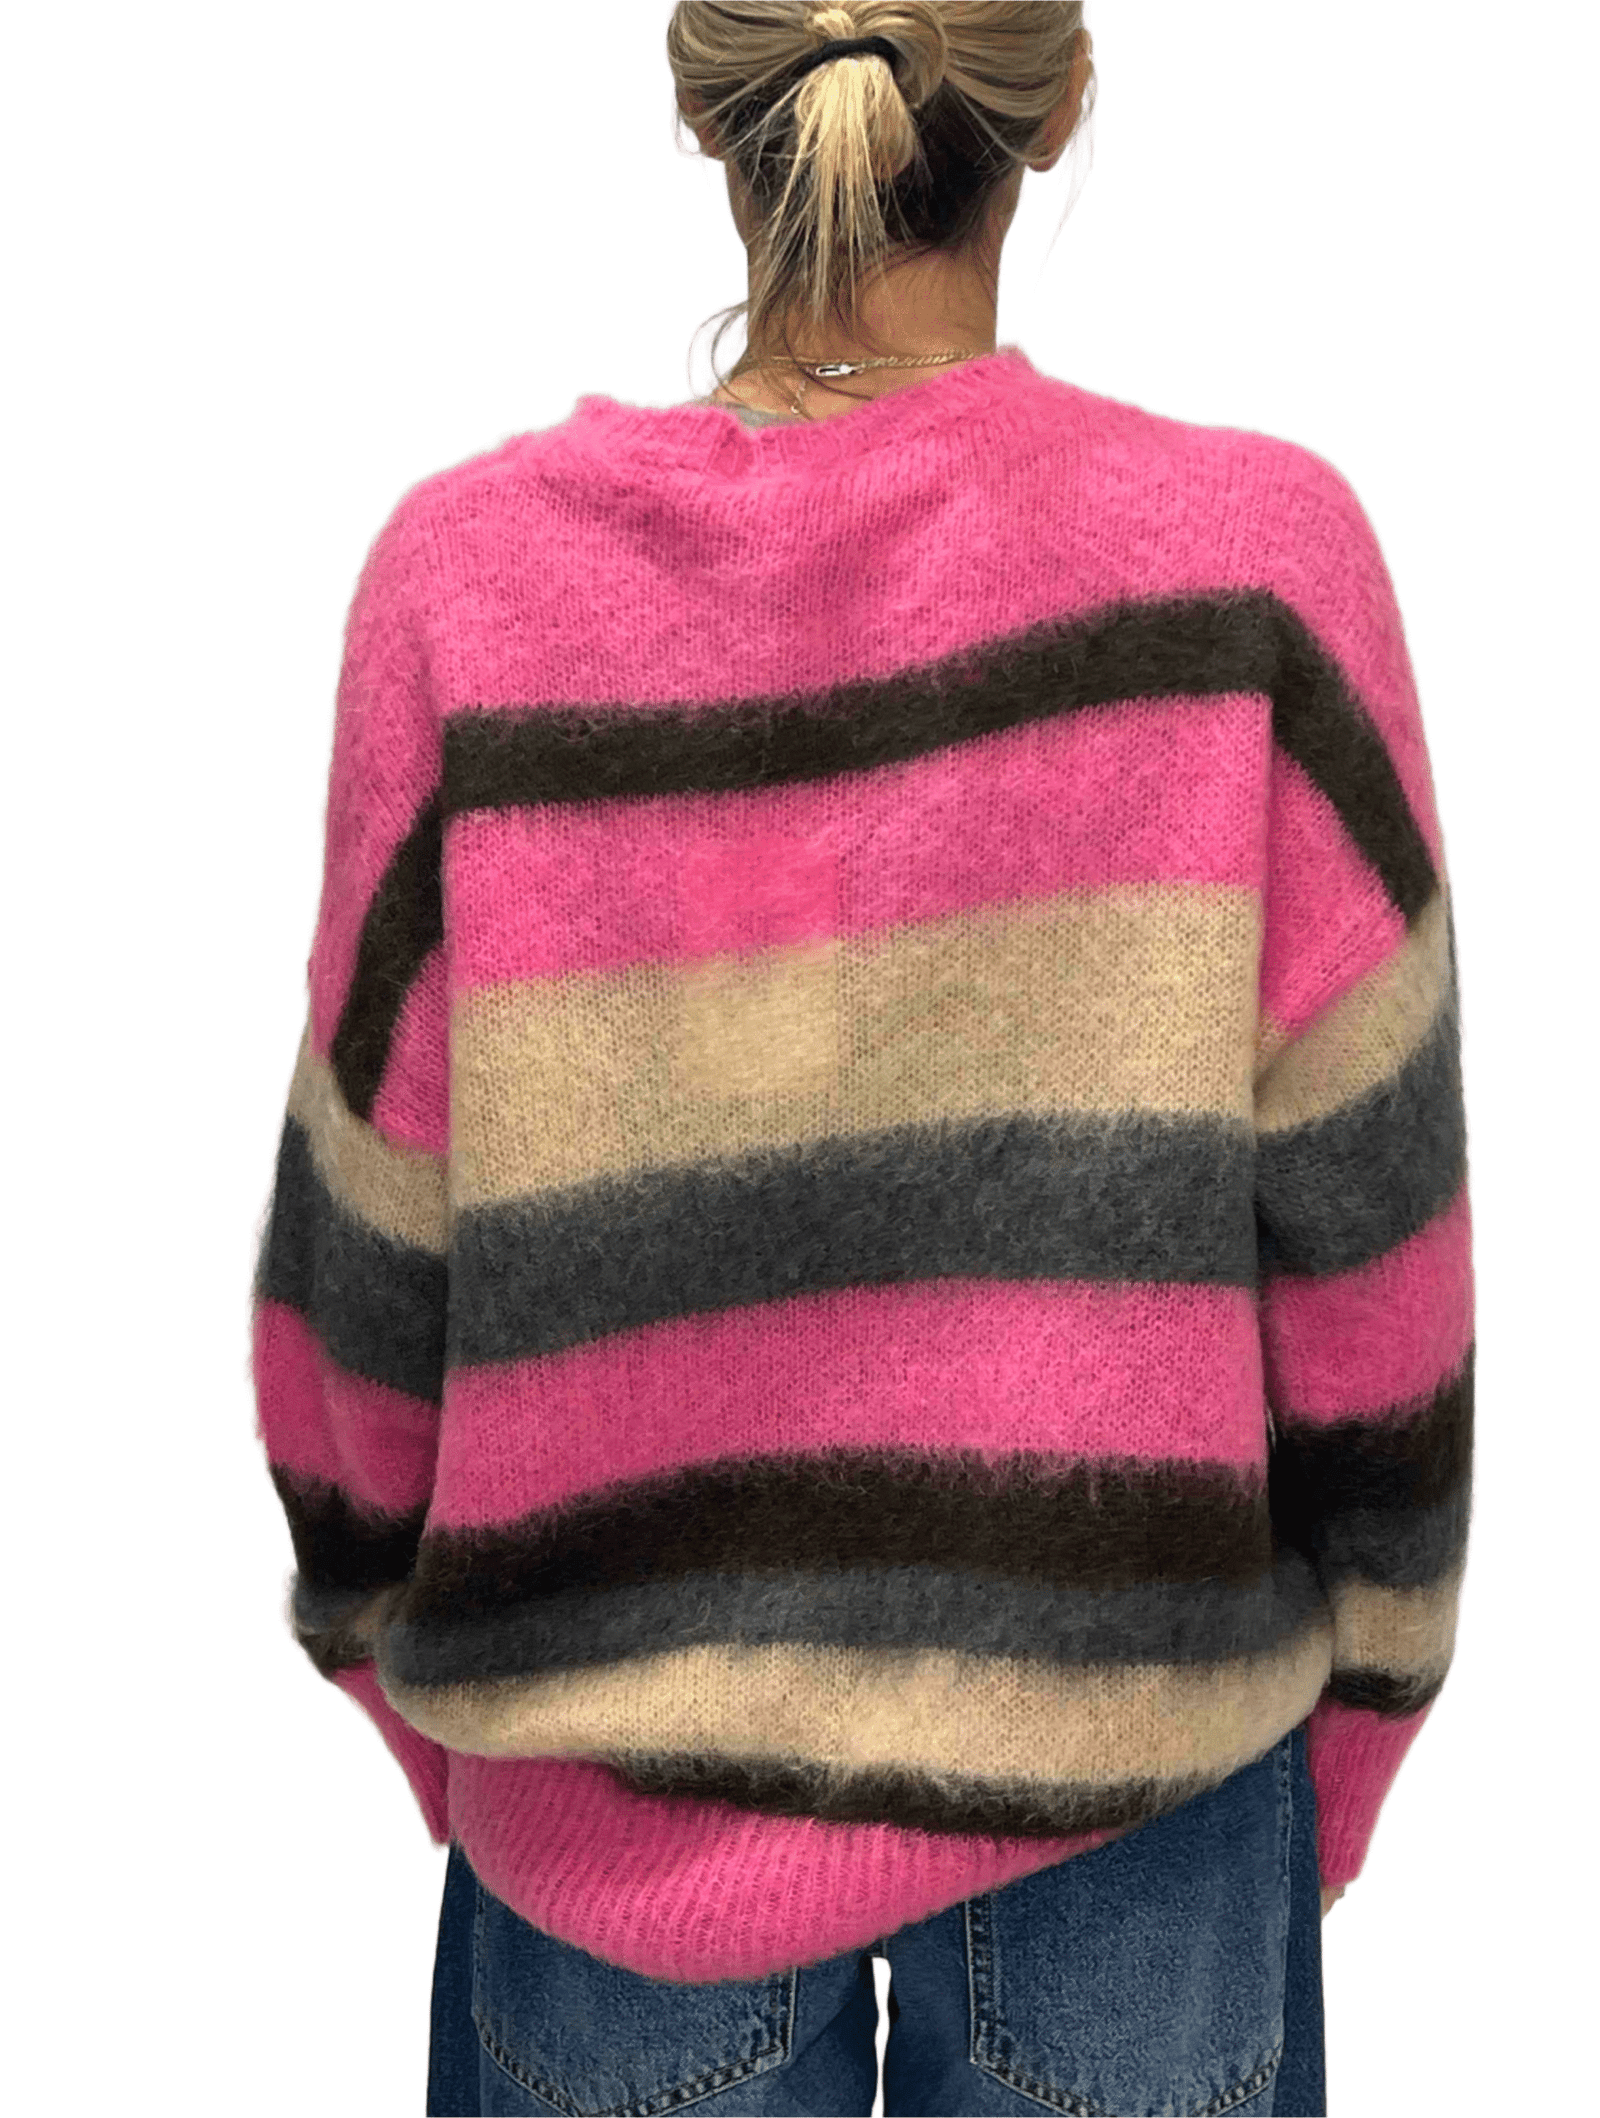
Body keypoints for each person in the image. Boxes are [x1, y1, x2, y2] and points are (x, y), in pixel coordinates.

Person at [248, 7, 1473, 2113]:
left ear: (700, 102)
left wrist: (434, 1694)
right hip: (1147, 1799)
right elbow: (1378, 1275)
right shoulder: (1255, 575)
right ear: (1057, 104)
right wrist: (1346, 1738)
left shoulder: (467, 595)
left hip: (614, 1825)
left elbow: (361, 1280)